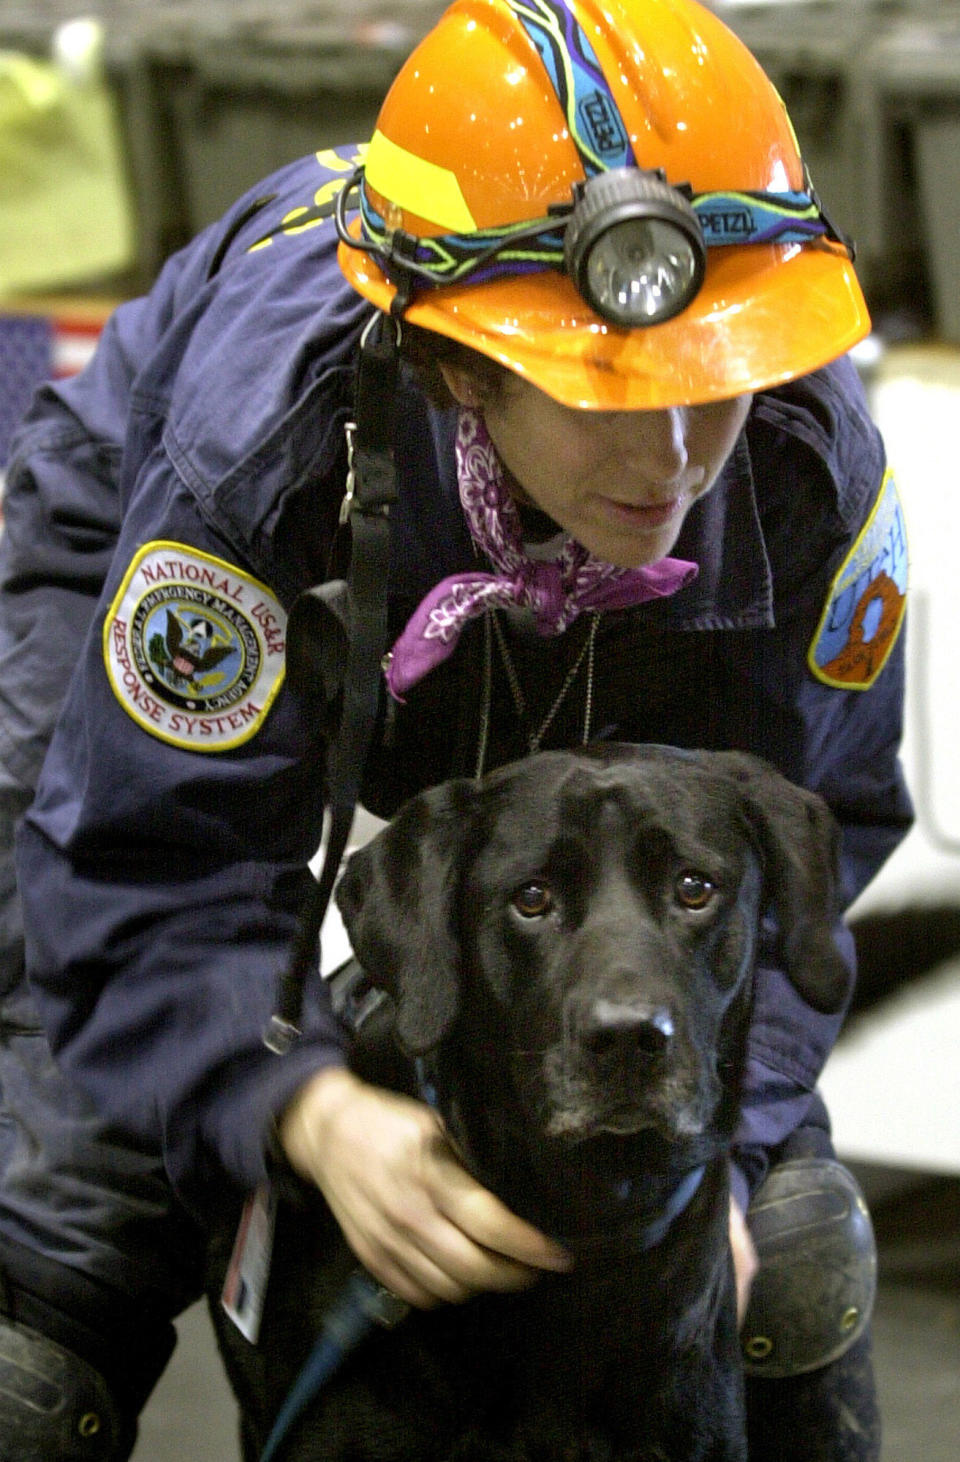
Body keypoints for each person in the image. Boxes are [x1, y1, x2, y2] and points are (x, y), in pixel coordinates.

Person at [0, 0, 912, 1457]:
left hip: (605, 634)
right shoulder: (259, 462)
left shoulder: (799, 468)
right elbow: (140, 868)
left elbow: (815, 839)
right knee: (43, 1306)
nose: (672, 457)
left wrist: (734, 1153)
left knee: (792, 1262)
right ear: (458, 368)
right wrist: (297, 1110)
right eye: (601, 396)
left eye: (704, 392)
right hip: (231, 565)